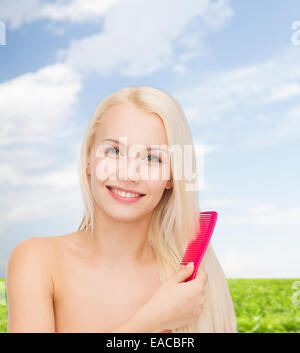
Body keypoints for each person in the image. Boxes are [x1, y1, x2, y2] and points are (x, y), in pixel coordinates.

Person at [6, 85, 237, 333]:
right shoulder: (37, 261)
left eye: (152, 158)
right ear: (88, 160)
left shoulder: (190, 282)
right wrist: (151, 322)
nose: (128, 174)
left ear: (172, 176)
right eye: (114, 151)